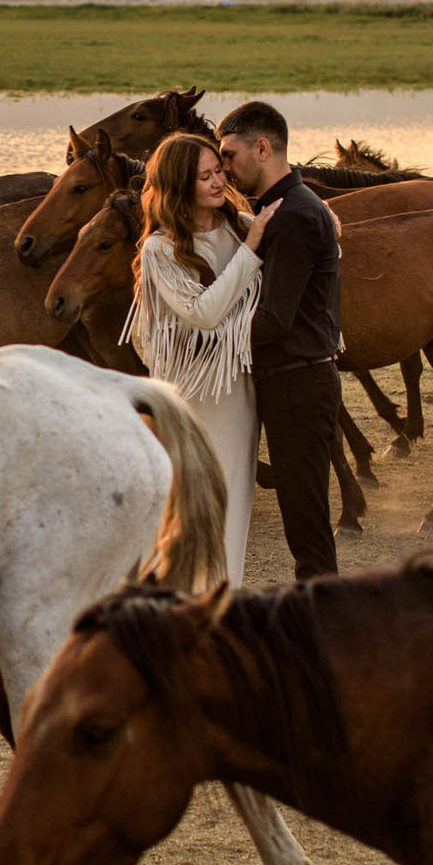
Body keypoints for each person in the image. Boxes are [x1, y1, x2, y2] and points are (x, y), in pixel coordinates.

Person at [121, 132, 278, 580]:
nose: (217, 182)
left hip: (237, 391)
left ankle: (220, 607)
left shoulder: (236, 225)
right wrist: (252, 249)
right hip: (190, 396)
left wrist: (322, 219)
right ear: (177, 186)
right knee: (190, 511)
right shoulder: (160, 249)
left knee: (233, 508)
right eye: (204, 177)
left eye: (218, 172)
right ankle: (179, 608)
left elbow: (314, 243)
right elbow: (204, 313)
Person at [214, 99, 346, 580]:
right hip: (288, 380)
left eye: (229, 155)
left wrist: (203, 342)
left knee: (306, 525)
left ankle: (324, 623)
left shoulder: (292, 217)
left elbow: (274, 320)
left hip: (298, 384)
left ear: (262, 148)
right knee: (301, 515)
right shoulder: (284, 209)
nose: (224, 167)